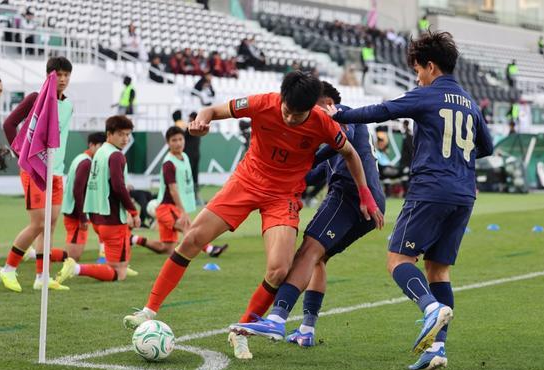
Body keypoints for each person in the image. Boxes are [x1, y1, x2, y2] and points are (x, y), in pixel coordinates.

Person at [121, 71, 382, 344]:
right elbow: (212, 110)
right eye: (287, 111)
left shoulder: (322, 122)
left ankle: (242, 331)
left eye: (298, 115)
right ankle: (148, 310)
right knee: (193, 238)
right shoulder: (261, 103)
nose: (290, 119)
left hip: (283, 196)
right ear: (281, 98)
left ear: (311, 109)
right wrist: (201, 121)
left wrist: (365, 194)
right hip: (246, 182)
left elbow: (350, 153)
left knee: (279, 270)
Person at [323, 30, 492, 370]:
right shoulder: (470, 102)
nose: (417, 77)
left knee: (398, 260)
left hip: (431, 190)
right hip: (463, 193)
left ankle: (430, 308)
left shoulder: (426, 96)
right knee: (438, 269)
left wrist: (337, 116)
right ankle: (437, 349)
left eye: (417, 70)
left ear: (431, 66)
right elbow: (486, 146)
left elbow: (382, 110)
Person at [229, 81, 385, 355]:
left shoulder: (342, 114)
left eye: (312, 106)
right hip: (366, 202)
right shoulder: (328, 136)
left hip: (350, 196)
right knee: (318, 258)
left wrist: (308, 156)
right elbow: (310, 175)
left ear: (327, 103)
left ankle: (277, 318)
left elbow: (342, 139)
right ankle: (306, 329)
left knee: (307, 253)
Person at [0, 57, 74, 292]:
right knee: (39, 223)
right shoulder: (36, 98)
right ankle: (8, 269)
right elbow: (9, 124)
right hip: (35, 171)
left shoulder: (69, 105)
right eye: (58, 74)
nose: (62, 79)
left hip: (57, 172)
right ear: (49, 75)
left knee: (49, 226)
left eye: (66, 75)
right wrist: (22, 154)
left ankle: (42, 276)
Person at [56, 116, 141, 285]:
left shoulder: (100, 152)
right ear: (109, 134)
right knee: (119, 273)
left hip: (98, 218)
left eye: (128, 134)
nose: (125, 139)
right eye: (121, 134)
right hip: (112, 218)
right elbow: (118, 186)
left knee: (115, 264)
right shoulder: (116, 155)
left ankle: (81, 266)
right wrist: (133, 211)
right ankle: (76, 268)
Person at [129, 126, 228, 256]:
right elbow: (173, 190)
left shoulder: (184, 157)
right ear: (168, 143)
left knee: (166, 248)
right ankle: (210, 250)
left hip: (172, 207)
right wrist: (183, 212)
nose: (178, 143)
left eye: (180, 139)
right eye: (174, 140)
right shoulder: (169, 164)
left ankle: (133, 239)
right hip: (166, 208)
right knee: (188, 227)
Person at [60, 132, 105, 261]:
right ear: (91, 145)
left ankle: (36, 254)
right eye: (100, 146)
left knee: (72, 258)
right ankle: (35, 254)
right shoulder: (86, 163)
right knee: (72, 258)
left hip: (73, 210)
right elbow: (77, 191)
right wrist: (83, 217)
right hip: (75, 213)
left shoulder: (81, 158)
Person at [184, 112, 202, 203]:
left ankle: (191, 196)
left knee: (189, 176)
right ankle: (195, 197)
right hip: (196, 155)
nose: (188, 120)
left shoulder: (191, 127)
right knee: (194, 176)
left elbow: (183, 137)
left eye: (190, 118)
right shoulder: (199, 127)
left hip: (189, 156)